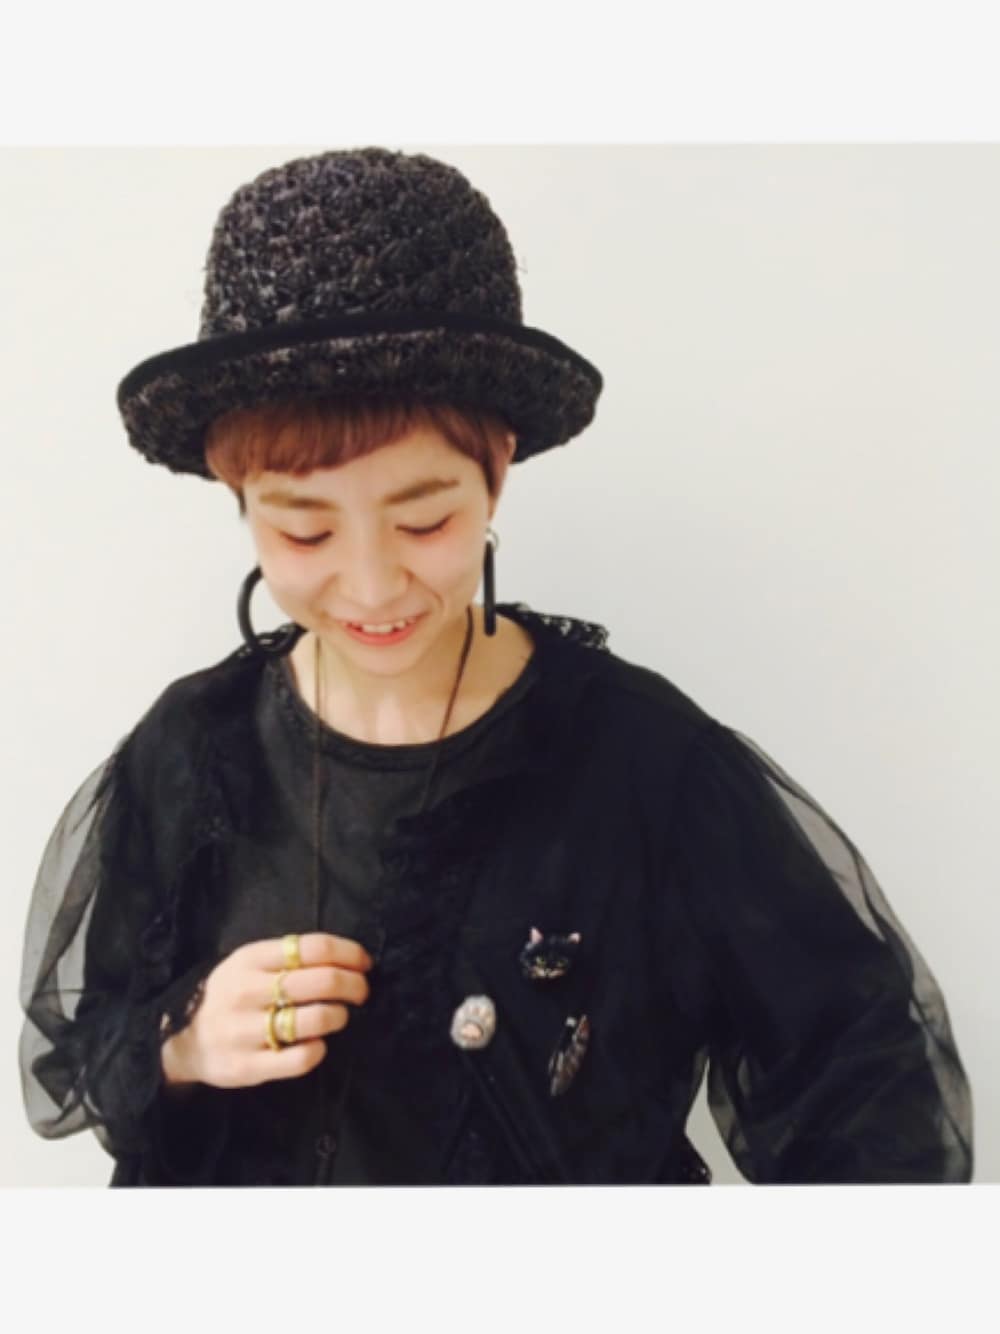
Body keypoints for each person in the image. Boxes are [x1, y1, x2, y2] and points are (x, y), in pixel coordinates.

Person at [18, 147, 974, 1187]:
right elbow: (92, 1045)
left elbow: (861, 1076)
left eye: (423, 520)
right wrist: (187, 1040)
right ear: (235, 494)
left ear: (497, 470)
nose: (372, 585)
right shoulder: (194, 754)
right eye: (304, 532)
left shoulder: (642, 763)